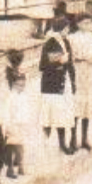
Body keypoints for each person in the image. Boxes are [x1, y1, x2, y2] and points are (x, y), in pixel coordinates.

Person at [39, 24, 77, 155]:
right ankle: (45, 143)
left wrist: (73, 81)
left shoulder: (66, 41)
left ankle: (62, 144)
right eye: (66, 28)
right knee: (48, 116)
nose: (67, 31)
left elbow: (70, 63)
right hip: (50, 85)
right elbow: (43, 64)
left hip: (63, 83)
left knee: (61, 115)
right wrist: (59, 59)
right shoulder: (50, 42)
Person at [66, 14, 92, 153]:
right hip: (77, 70)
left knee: (88, 105)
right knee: (76, 104)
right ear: (78, 24)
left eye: (89, 23)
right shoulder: (71, 38)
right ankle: (73, 139)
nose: (87, 25)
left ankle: (84, 138)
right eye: (84, 23)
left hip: (90, 72)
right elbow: (68, 56)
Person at [0, 52, 31, 179]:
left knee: (20, 145)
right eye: (19, 85)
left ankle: (20, 165)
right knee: (11, 146)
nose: (22, 87)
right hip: (12, 124)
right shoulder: (10, 96)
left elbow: (26, 109)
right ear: (14, 84)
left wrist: (27, 122)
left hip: (22, 123)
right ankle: (10, 168)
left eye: (23, 85)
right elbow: (7, 112)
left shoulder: (23, 96)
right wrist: (7, 126)